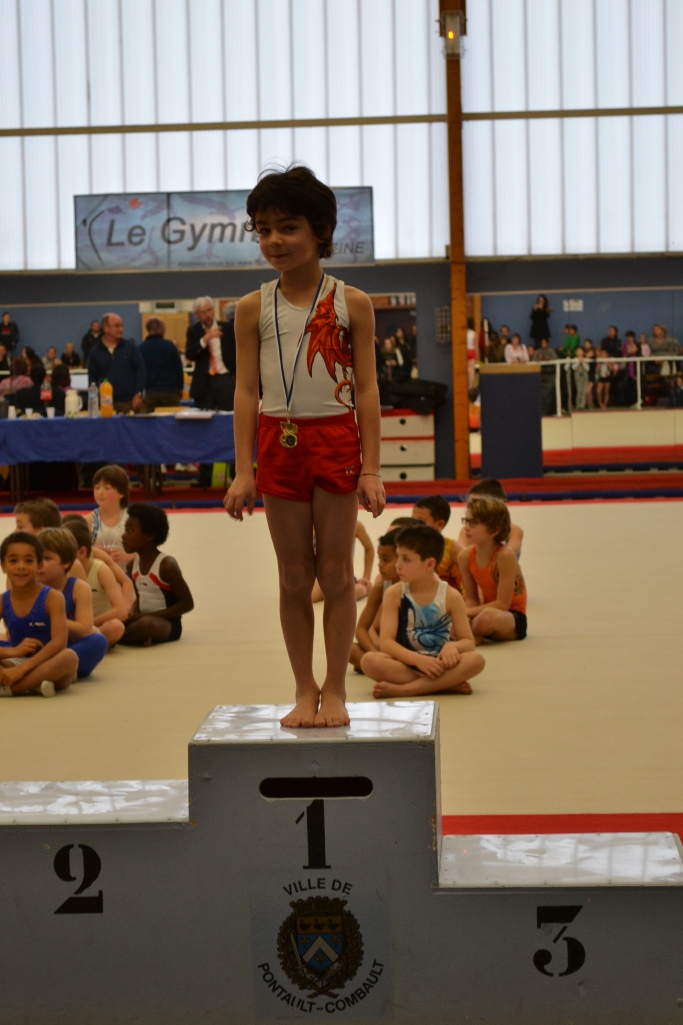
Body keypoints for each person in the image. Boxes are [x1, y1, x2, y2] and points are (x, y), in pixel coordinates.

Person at [224, 164, 385, 728]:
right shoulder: (251, 308)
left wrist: (371, 469)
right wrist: (244, 469)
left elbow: (366, 389)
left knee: (336, 574)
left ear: (320, 231)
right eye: (262, 229)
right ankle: (303, 686)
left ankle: (336, 688)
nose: (273, 241)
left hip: (336, 436)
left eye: (286, 227)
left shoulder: (352, 303)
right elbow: (246, 392)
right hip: (280, 438)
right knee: (294, 576)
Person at [360, 524, 485, 698]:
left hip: (442, 664)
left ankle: (405, 690)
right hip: (407, 663)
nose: (398, 566)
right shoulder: (394, 594)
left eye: (406, 559)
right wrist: (419, 661)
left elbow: (468, 642)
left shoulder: (451, 596)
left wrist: (452, 646)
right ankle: (444, 685)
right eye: (398, 558)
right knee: (369, 661)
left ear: (429, 564)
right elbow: (387, 643)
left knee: (476, 660)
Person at [0, 532, 78, 696]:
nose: (21, 566)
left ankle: (11, 688)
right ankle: (35, 684)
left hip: (47, 662)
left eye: (28, 561)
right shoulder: (2, 600)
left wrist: (23, 669)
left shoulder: (53, 598)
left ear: (39, 565)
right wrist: (12, 652)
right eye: (13, 561)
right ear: (3, 566)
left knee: (70, 657)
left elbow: (59, 643)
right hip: (14, 662)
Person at [36, 528, 109, 678]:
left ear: (66, 563)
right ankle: (52, 674)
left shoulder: (78, 588)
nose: (39, 564)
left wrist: (52, 619)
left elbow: (84, 629)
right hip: (37, 647)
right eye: (36, 558)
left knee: (98, 641)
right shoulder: (29, 587)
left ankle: (48, 672)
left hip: (67, 648)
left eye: (47, 558)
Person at [457, 495, 528, 644]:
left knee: (487, 617)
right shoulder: (464, 556)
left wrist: (461, 614)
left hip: (510, 617)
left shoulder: (505, 555)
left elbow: (503, 604)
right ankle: (471, 633)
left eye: (473, 523)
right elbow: (471, 599)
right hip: (482, 612)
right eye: (466, 521)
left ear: (494, 530)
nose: (466, 527)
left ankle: (466, 633)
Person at [120, 503, 194, 646]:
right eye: (125, 530)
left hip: (168, 624)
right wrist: (132, 615)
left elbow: (187, 604)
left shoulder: (166, 565)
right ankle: (122, 636)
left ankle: (113, 639)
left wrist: (145, 617)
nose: (123, 536)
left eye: (130, 531)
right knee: (116, 619)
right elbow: (140, 600)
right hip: (144, 619)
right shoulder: (132, 566)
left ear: (149, 536)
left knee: (146, 625)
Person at [186, 297, 236, 487]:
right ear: (197, 315)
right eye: (203, 312)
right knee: (203, 431)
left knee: (231, 427)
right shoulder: (194, 331)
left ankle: (236, 474)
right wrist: (205, 340)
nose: (207, 315)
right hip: (204, 383)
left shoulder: (227, 328)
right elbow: (190, 354)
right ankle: (204, 478)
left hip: (224, 379)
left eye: (209, 310)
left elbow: (238, 353)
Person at [63, 518, 127, 647]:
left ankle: (87, 644)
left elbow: (121, 611)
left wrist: (88, 624)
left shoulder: (101, 570)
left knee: (116, 626)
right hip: (70, 627)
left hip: (93, 626)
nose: (61, 555)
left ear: (82, 552)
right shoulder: (60, 568)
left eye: (65, 551)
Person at [349, 528, 401, 673]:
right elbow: (361, 629)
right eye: (379, 558)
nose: (379, 565)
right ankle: (392, 669)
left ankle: (391, 671)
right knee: (349, 650)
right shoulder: (380, 588)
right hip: (388, 650)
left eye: (386, 559)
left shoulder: (421, 586)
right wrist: (374, 652)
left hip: (417, 650)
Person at [87, 313, 145, 413]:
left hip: (131, 402)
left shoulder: (131, 348)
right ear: (106, 328)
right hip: (107, 404)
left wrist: (139, 393)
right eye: (117, 326)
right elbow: (92, 379)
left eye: (122, 326)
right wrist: (95, 403)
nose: (121, 329)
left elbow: (140, 371)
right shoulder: (95, 352)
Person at [311, 518, 374, 602]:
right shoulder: (309, 527)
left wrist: (366, 577)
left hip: (344, 577)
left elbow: (369, 548)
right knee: (310, 595)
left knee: (350, 595)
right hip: (318, 577)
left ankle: (362, 588)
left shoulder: (354, 525)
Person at [457, 479, 524, 557]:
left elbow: (512, 551)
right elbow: (458, 552)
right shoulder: (467, 530)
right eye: (470, 504)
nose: (471, 508)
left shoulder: (513, 530)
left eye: (477, 504)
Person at [412, 494, 462, 591]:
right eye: (412, 520)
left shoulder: (454, 550)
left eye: (420, 522)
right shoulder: (408, 548)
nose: (414, 526)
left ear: (439, 525)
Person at [85, 464, 131, 564]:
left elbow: (148, 550)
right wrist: (93, 552)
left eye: (107, 488)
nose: (100, 492)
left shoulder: (132, 519)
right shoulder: (88, 521)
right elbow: (78, 553)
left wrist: (127, 557)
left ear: (121, 493)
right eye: (97, 488)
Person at [139, 317, 185, 411]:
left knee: (150, 424)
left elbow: (138, 372)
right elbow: (178, 369)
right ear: (158, 329)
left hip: (149, 393)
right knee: (173, 422)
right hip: (169, 392)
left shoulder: (141, 349)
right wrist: (180, 388)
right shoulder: (170, 346)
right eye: (163, 327)